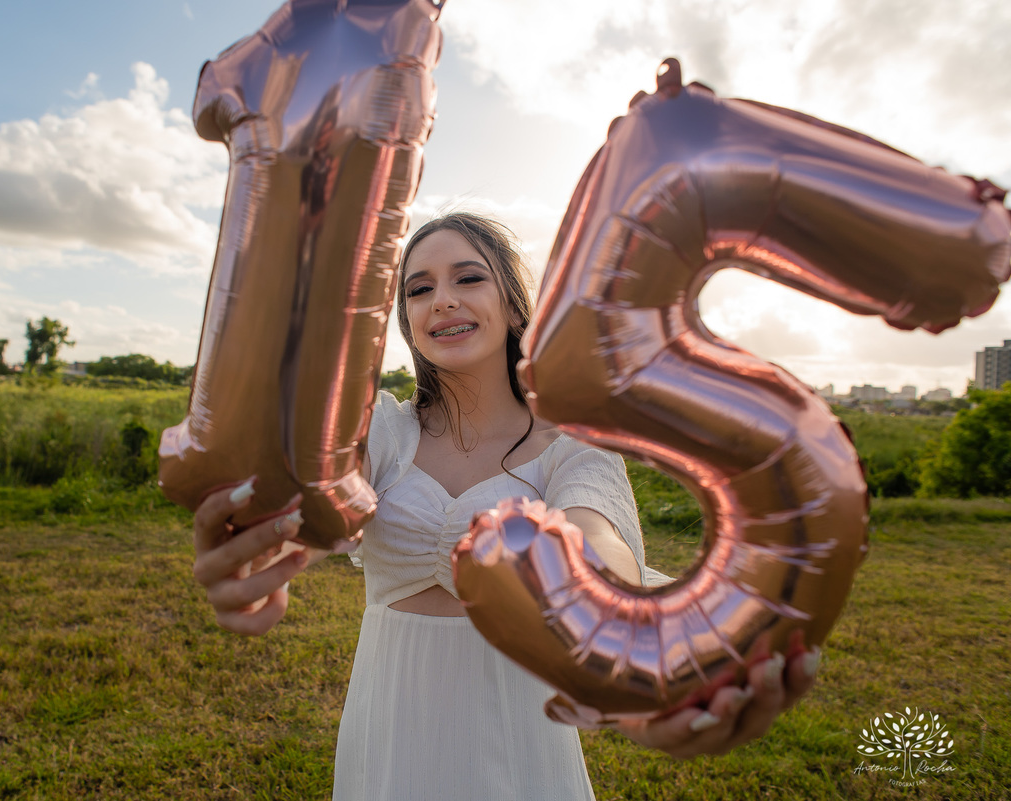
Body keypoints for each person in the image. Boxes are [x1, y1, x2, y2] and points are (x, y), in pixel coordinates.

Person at [191, 213, 820, 799]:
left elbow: (596, 543)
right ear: (405, 319)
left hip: (519, 732)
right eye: (418, 289)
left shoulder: (572, 445)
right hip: (390, 721)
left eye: (469, 278)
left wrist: (625, 616)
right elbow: (302, 484)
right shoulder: (381, 431)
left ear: (513, 303)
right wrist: (252, 529)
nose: (442, 299)